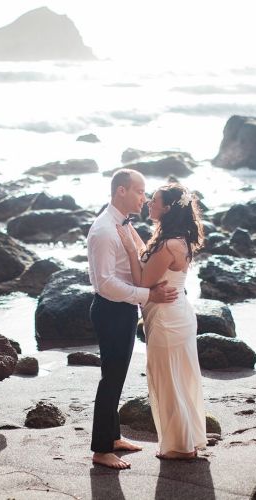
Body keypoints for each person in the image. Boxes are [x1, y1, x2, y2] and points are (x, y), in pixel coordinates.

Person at [87, 168, 179, 470]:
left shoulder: (124, 224)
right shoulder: (104, 230)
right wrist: (147, 295)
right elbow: (105, 283)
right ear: (121, 191)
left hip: (123, 309)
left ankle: (113, 437)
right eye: (140, 191)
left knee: (117, 375)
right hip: (110, 309)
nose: (144, 197)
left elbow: (140, 257)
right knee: (110, 378)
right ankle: (101, 449)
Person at [116, 182, 206, 460]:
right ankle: (187, 440)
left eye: (154, 201)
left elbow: (143, 281)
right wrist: (128, 229)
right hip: (176, 315)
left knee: (168, 381)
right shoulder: (178, 239)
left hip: (168, 319)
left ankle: (180, 447)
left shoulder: (168, 245)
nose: (148, 204)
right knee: (179, 379)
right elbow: (151, 261)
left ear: (167, 208)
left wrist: (130, 251)